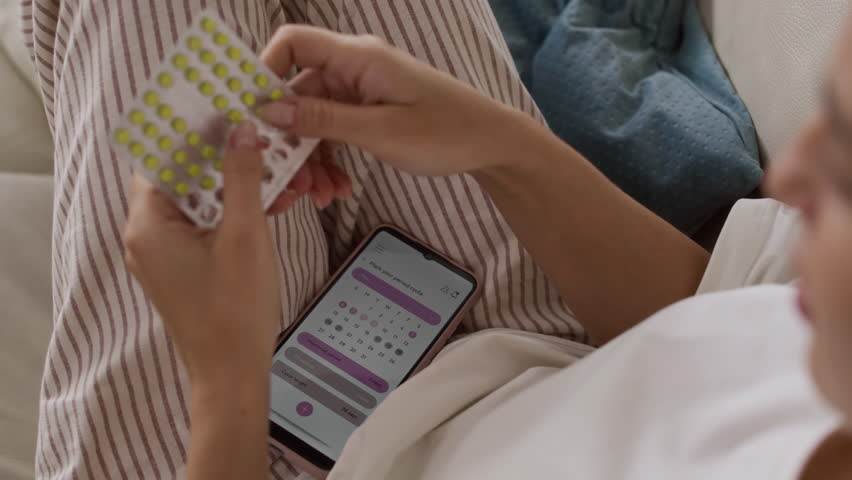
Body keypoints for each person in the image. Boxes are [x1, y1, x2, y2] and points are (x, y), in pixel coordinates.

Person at [123, 15, 852, 480]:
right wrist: (500, 145)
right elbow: (714, 321)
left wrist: (224, 389)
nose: (786, 173)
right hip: (541, 337)